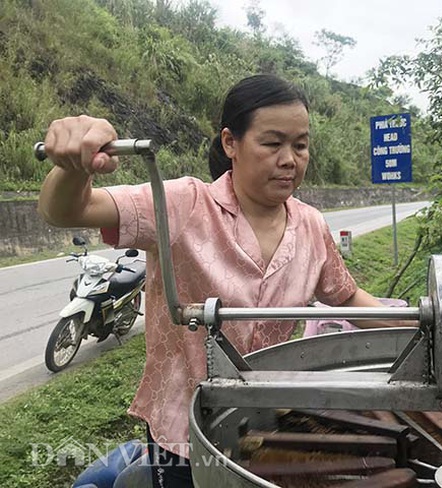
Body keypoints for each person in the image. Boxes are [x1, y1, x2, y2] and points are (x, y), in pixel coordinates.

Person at [38, 74, 406, 487]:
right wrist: (72, 166)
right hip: (183, 430)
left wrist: (427, 324)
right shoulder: (182, 205)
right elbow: (69, 210)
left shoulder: (311, 225)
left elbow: (347, 296)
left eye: (300, 145)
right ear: (231, 142)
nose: (290, 159)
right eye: (272, 143)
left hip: (272, 421)